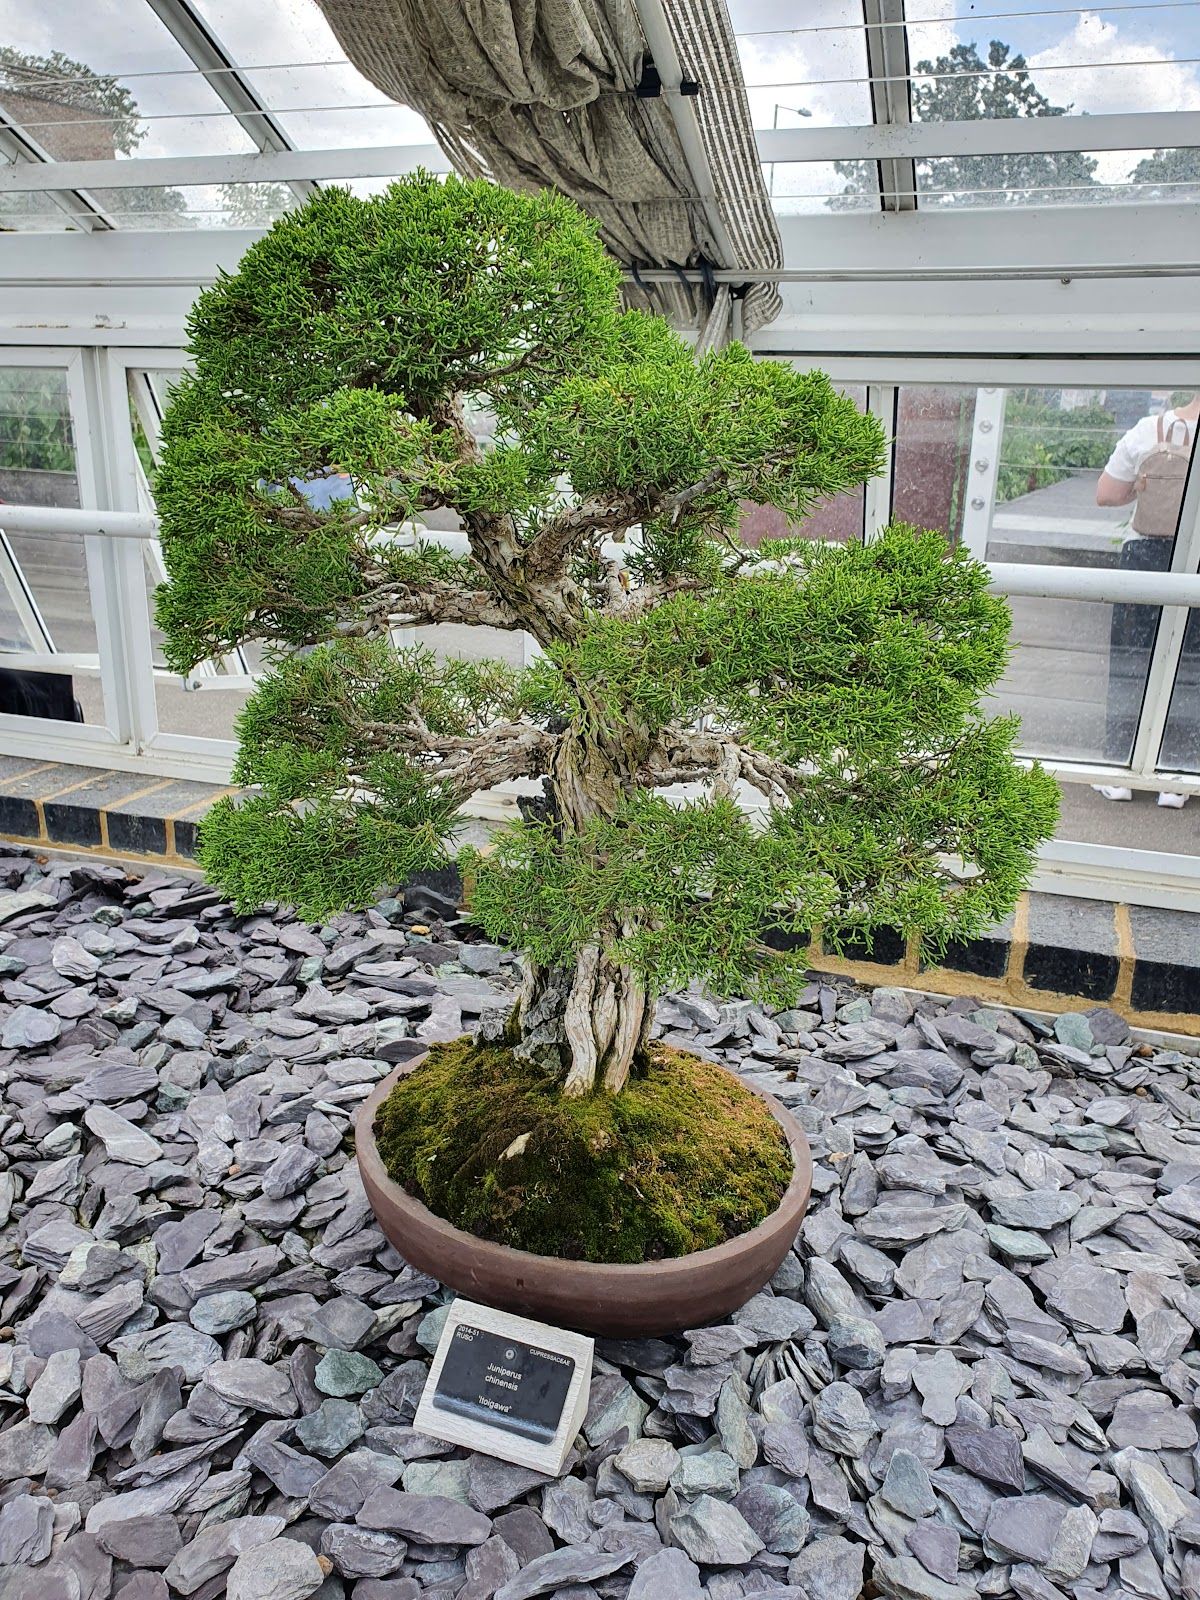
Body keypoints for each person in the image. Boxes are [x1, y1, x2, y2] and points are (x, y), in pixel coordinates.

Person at [1093, 392, 1199, 807]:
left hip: (1144, 559)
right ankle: (1177, 776)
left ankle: (1121, 770)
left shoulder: (1147, 431)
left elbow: (1105, 494)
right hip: (1196, 560)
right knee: (1190, 668)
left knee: (1132, 661)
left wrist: (1140, 488)